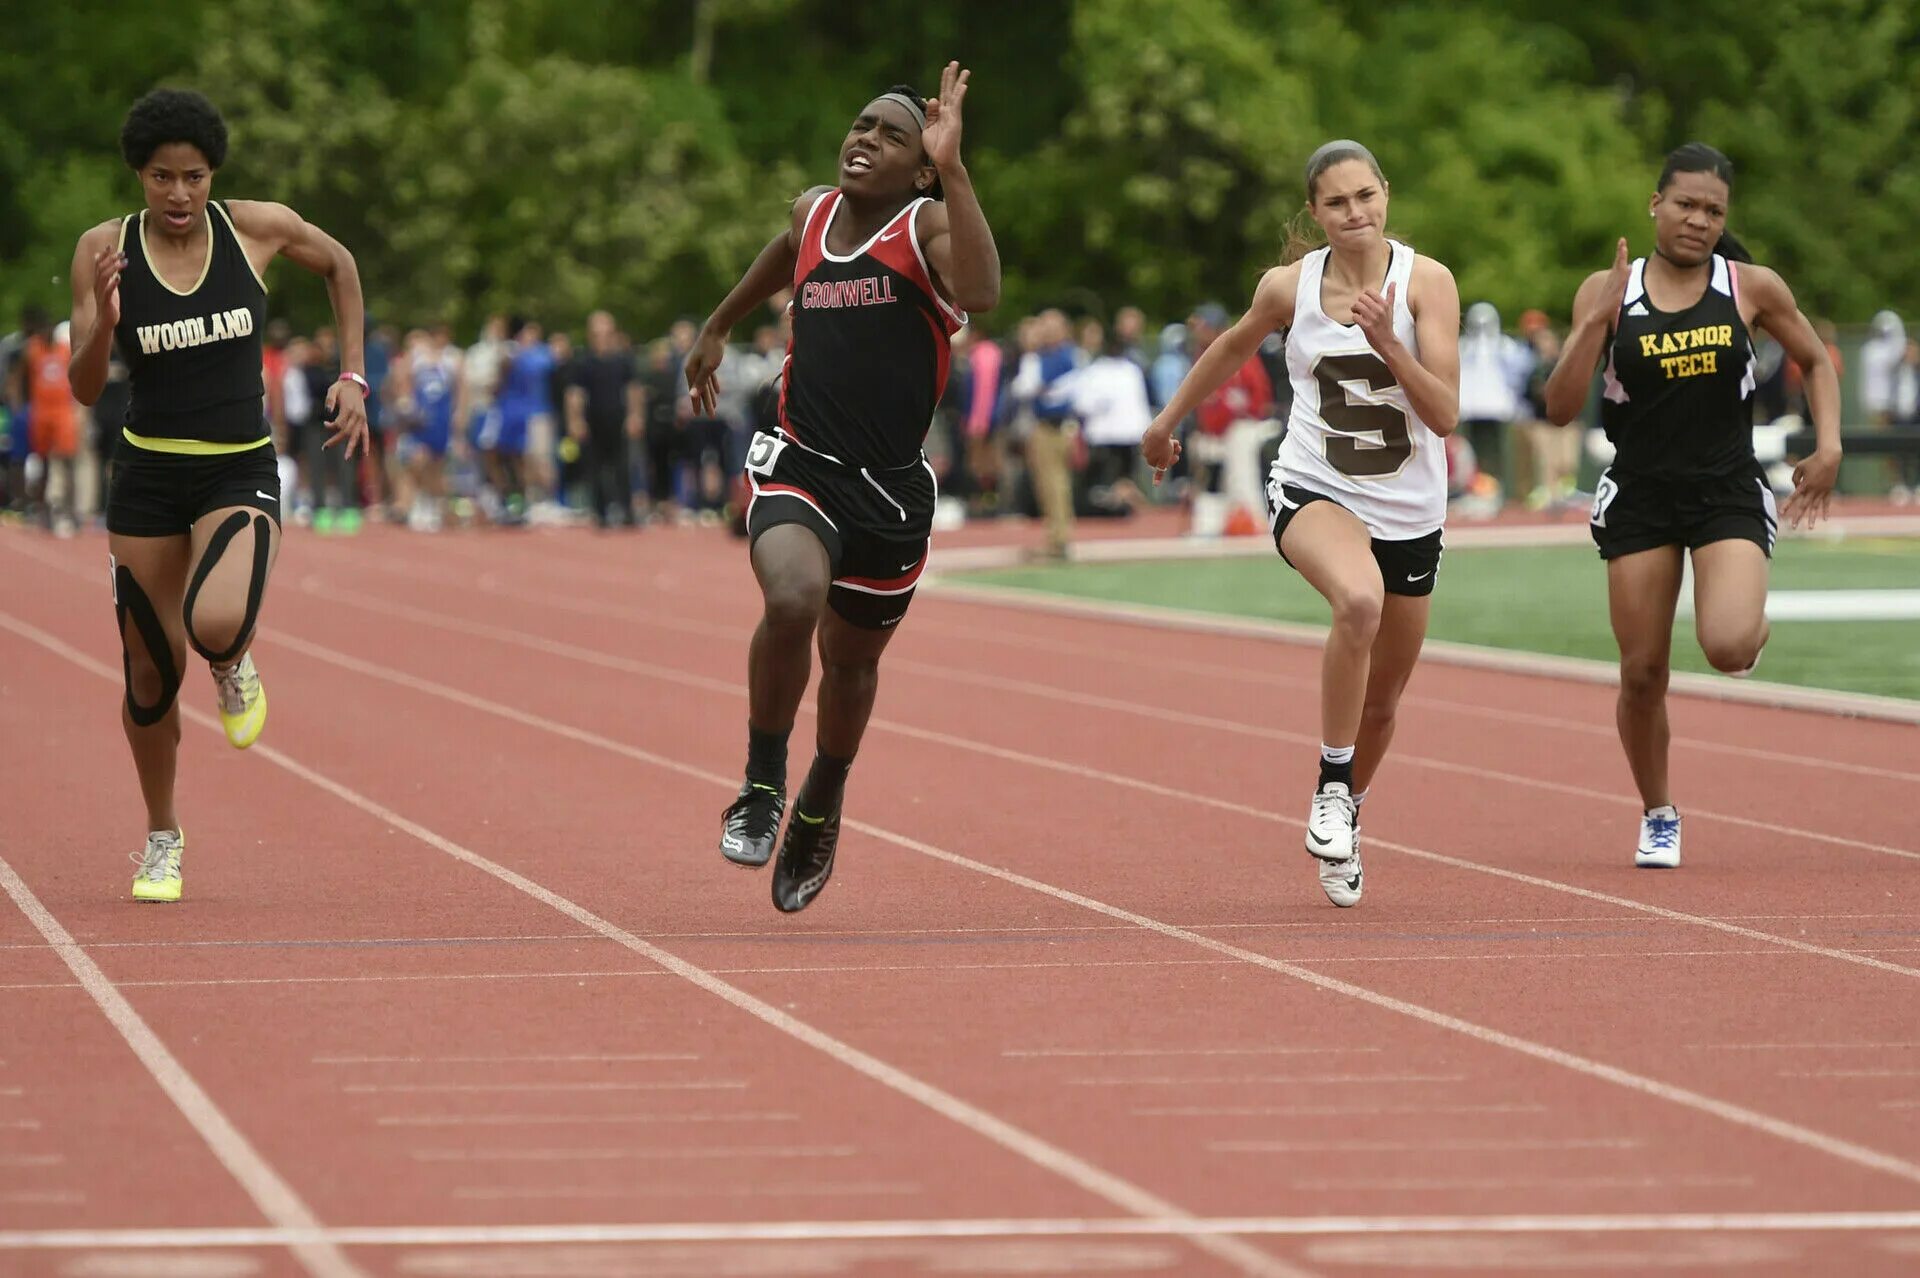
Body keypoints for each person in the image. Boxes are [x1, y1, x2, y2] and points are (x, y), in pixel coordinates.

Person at [687, 64, 1000, 912]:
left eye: (893, 135)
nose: (867, 138)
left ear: (921, 166)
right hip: (799, 462)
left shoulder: (929, 226)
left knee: (851, 663)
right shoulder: (812, 211)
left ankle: (821, 799)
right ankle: (761, 783)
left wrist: (957, 169)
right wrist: (718, 324)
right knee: (792, 598)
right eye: (862, 125)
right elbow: (783, 254)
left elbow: (981, 291)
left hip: (891, 495)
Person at [66, 88, 368, 903]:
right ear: (139, 174)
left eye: (193, 176)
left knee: (214, 620)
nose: (177, 194)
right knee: (148, 678)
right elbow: (86, 387)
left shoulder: (256, 227)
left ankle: (233, 663)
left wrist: (352, 375)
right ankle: (162, 836)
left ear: (212, 175)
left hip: (238, 466)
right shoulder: (103, 247)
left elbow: (340, 265)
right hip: (148, 476)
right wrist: (104, 320)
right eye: (161, 177)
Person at [1143, 139, 1461, 909]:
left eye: (1365, 196)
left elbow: (1445, 414)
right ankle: (1329, 786)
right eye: (1337, 202)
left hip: (1411, 511)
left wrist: (1390, 343)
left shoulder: (1428, 282)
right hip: (1316, 489)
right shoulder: (1291, 287)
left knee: (1383, 701)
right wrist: (1165, 423)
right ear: (1314, 213)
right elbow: (1231, 345)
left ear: (1386, 193)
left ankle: (1345, 804)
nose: (1355, 213)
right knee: (1358, 602)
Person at [1543, 142, 1840, 870]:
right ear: (1655, 205)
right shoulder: (1608, 289)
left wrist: (1827, 445)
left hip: (1726, 489)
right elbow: (1555, 409)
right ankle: (1659, 812)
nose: (1699, 221)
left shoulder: (1750, 287)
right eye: (1686, 205)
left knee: (1729, 645)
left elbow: (1819, 361)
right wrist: (1592, 324)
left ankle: (1751, 617)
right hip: (1640, 492)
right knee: (1642, 673)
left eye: (1714, 211)